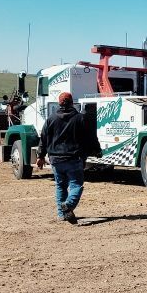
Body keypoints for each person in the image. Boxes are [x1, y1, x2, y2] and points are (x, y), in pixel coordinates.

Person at [36, 92, 100, 224]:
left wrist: (40, 156)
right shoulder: (80, 118)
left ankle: (61, 214)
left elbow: (43, 139)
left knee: (60, 186)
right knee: (76, 184)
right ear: (72, 103)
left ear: (59, 103)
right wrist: (97, 150)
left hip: (55, 159)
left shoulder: (51, 119)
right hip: (74, 158)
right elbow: (91, 137)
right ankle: (69, 205)